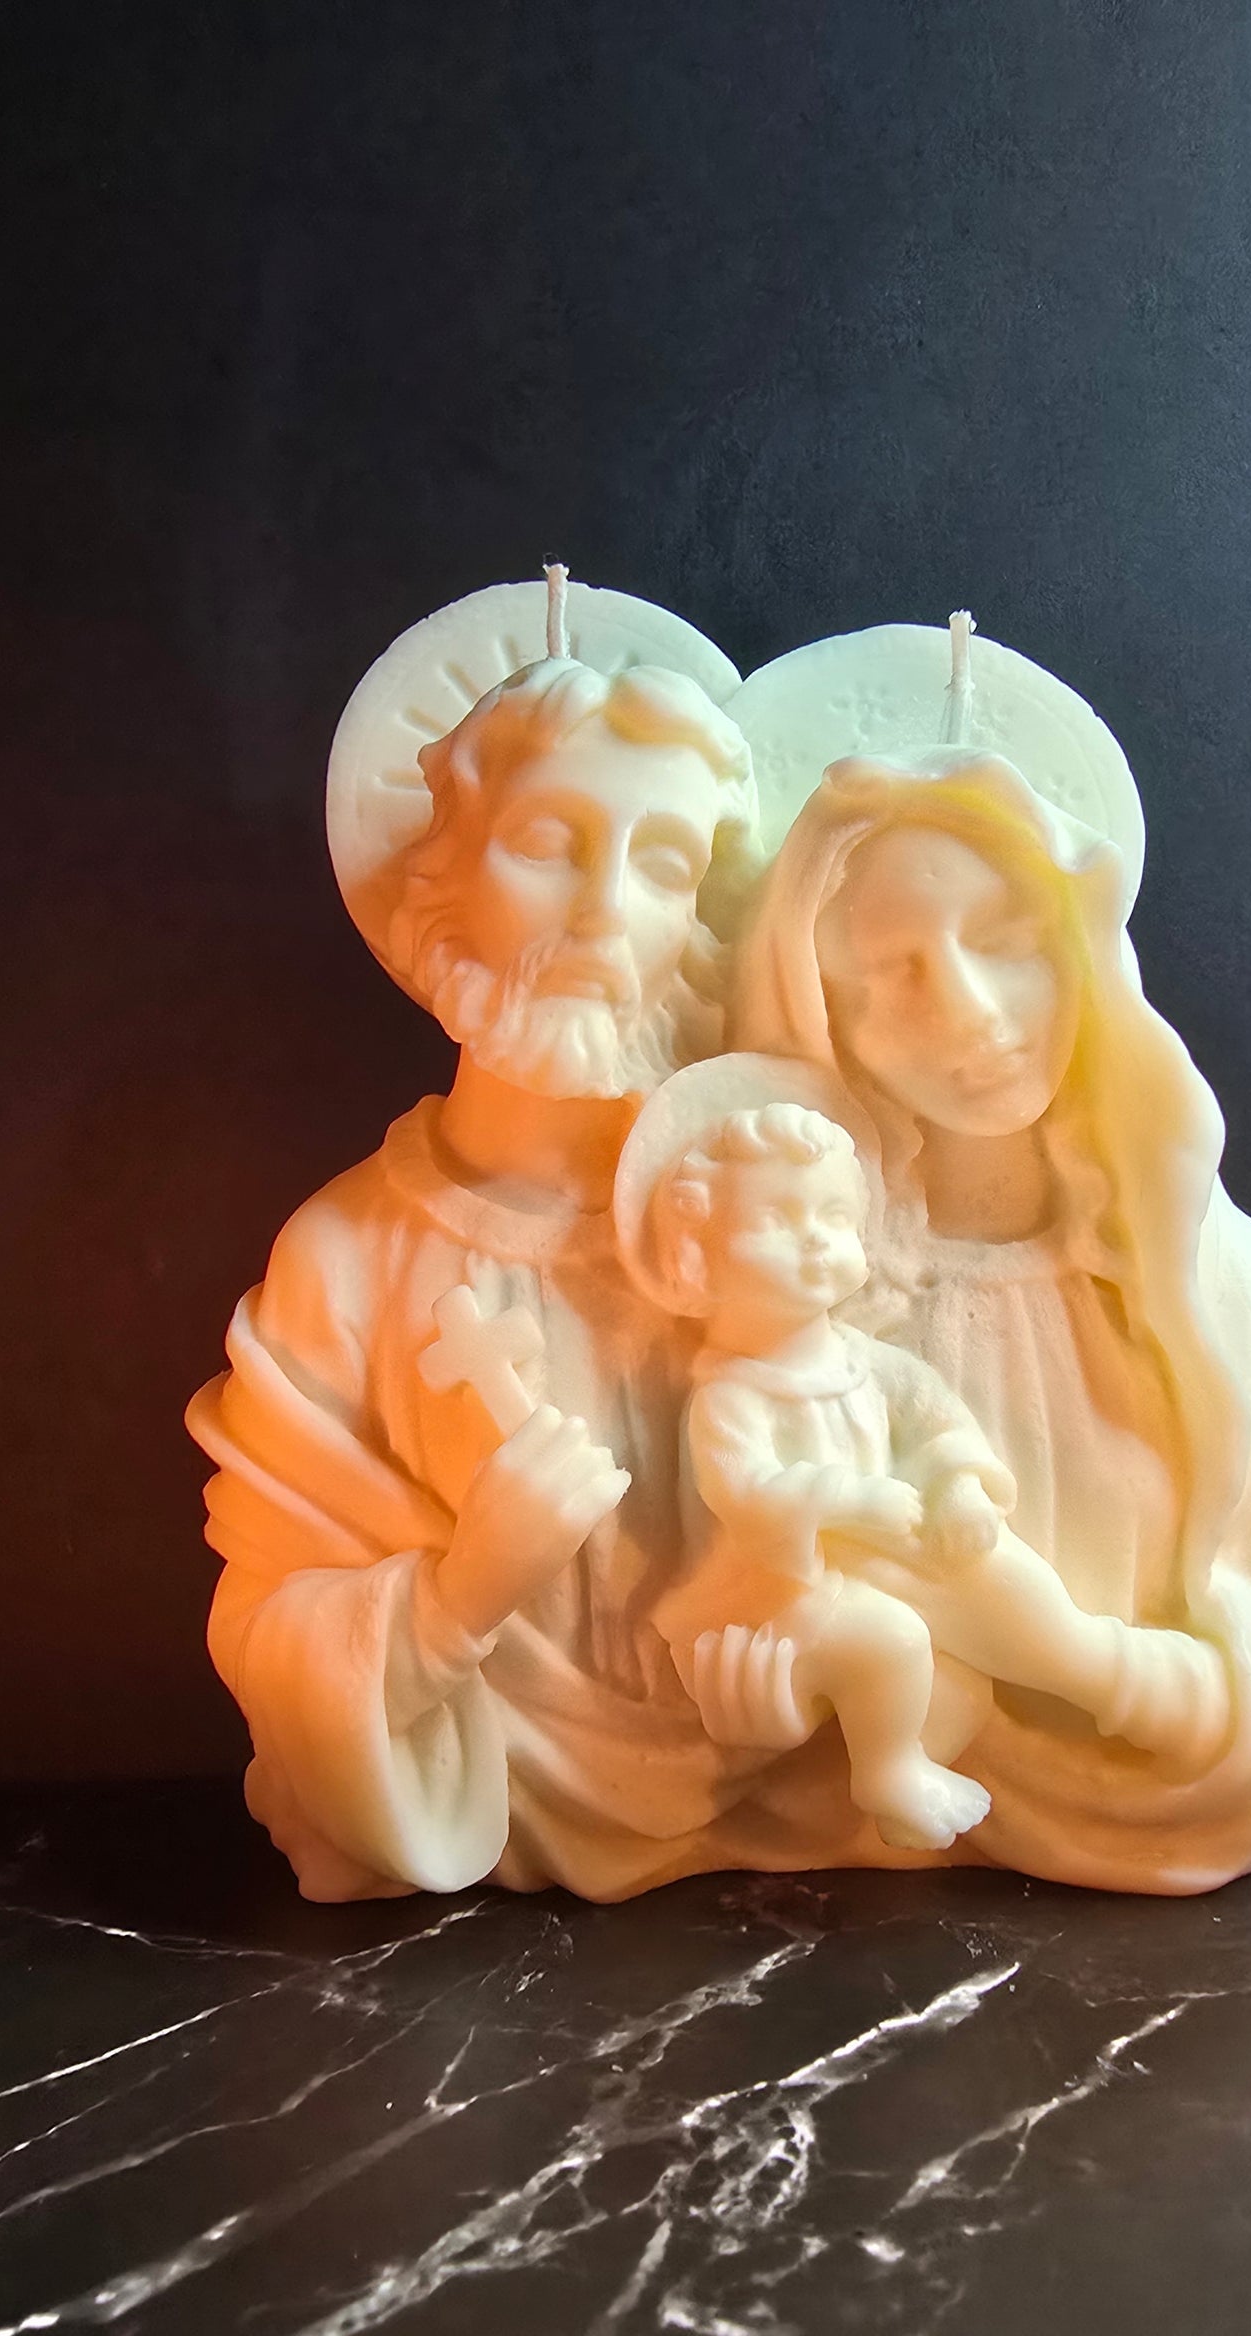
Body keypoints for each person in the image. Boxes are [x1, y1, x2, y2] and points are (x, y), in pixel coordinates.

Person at [186, 653, 766, 1897]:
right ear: (444, 878)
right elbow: (267, 1632)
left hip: (771, 1817)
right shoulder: (344, 1260)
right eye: (549, 843)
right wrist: (458, 1597)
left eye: (663, 862)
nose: (603, 910)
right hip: (475, 1814)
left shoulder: (748, 1229)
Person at [729, 750, 1251, 1893]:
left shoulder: (1218, 1290)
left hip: (1155, 1865)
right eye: (893, 974)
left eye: (1005, 940)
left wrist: (1070, 1658)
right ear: (822, 1018)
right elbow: (743, 1616)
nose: (970, 1013)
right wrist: (767, 1699)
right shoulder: (805, 1310)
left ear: (1077, 951)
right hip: (859, 1892)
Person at [620, 1068, 1229, 1850]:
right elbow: (744, 1491)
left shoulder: (871, 1363)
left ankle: (1117, 1680)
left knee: (1000, 1574)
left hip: (893, 1549)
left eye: (834, 1216)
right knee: (891, 1641)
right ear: (698, 1255)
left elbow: (939, 1423)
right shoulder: (732, 1396)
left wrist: (959, 1487)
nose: (816, 1239)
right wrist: (848, 1501)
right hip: (780, 1590)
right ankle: (888, 1772)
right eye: (777, 1219)